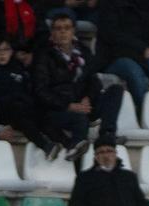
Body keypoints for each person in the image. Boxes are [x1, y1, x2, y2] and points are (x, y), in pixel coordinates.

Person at [32, 12, 122, 161]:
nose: (63, 32)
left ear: (73, 30)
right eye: (58, 28)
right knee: (80, 118)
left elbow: (93, 80)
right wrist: (69, 105)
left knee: (116, 90)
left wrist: (88, 98)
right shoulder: (44, 55)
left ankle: (107, 136)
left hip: (82, 104)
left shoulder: (83, 51)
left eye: (67, 28)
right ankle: (74, 146)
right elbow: (40, 91)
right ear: (52, 32)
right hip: (58, 109)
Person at [96, 0, 149, 117]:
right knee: (134, 72)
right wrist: (141, 48)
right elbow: (111, 34)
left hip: (141, 56)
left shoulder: (148, 5)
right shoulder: (109, 4)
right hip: (114, 57)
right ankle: (145, 114)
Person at [0, 38, 54, 154]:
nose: (2, 53)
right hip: (1, 112)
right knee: (21, 116)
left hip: (21, 110)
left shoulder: (19, 70)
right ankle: (45, 145)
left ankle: (59, 143)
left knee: (39, 113)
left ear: (11, 52)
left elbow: (28, 92)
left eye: (5, 49)